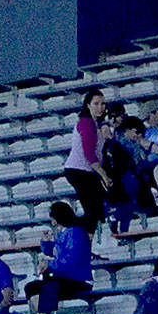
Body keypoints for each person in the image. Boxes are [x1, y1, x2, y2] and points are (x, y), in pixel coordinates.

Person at [23, 202, 96, 314]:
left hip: (79, 280)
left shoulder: (76, 233)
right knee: (32, 287)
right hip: (68, 278)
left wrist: (49, 264)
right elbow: (56, 252)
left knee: (40, 285)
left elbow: (71, 262)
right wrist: (46, 244)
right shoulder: (66, 233)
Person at [63, 87, 112, 228]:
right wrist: (103, 174)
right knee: (92, 208)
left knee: (97, 207)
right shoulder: (86, 123)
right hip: (79, 170)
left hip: (87, 170)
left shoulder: (97, 124)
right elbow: (89, 152)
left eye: (102, 104)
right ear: (88, 105)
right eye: (96, 104)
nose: (100, 107)